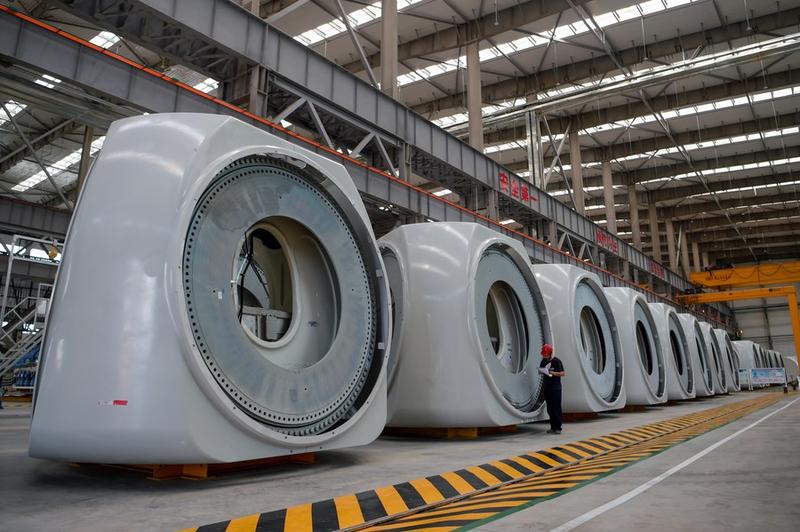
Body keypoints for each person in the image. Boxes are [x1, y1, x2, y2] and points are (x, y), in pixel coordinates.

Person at [539, 343, 565, 434]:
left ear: (550, 353)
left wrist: (553, 373)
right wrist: (541, 371)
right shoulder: (543, 361)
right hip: (547, 388)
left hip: (556, 388)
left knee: (556, 408)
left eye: (545, 354)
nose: (544, 356)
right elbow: (541, 370)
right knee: (549, 408)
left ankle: (558, 427)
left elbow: (562, 373)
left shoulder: (557, 361)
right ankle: (552, 427)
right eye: (543, 354)